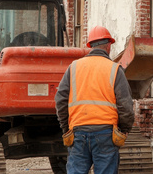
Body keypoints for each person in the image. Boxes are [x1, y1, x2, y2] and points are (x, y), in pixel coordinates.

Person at [55, 26, 134, 174]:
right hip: (106, 134)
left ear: (90, 46)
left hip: (78, 132)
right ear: (109, 46)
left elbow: (60, 100)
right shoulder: (115, 69)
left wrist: (66, 128)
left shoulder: (73, 68)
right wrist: (124, 130)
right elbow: (126, 106)